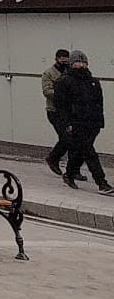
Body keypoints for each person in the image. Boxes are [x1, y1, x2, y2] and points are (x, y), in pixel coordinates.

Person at [54, 50, 112, 194]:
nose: (81, 65)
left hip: (92, 123)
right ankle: (102, 184)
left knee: (81, 151)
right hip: (76, 123)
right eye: (78, 62)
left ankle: (68, 174)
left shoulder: (93, 81)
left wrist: (99, 121)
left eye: (84, 62)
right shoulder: (64, 81)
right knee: (89, 152)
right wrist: (66, 123)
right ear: (72, 64)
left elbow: (99, 103)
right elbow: (60, 105)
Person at [44, 48, 75, 176]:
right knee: (66, 138)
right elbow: (47, 91)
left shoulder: (71, 71)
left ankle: (74, 170)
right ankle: (53, 158)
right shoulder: (49, 73)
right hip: (55, 111)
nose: (64, 61)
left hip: (70, 111)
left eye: (66, 58)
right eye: (62, 58)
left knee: (76, 139)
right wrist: (63, 94)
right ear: (56, 58)